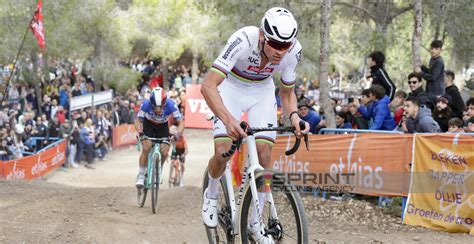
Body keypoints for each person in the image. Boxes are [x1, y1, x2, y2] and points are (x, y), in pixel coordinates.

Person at [200, 7, 309, 242]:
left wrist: (294, 117)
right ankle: (211, 194)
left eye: (286, 45)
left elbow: (287, 93)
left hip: (262, 90)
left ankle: (255, 222)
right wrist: (229, 120)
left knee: (265, 155)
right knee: (222, 152)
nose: (281, 51)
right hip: (231, 87)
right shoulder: (243, 39)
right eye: (276, 44)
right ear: (262, 36)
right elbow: (208, 85)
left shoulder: (293, 51)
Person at [135, 87, 184, 188]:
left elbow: (181, 123)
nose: (158, 110)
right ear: (151, 103)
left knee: (165, 151)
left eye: (161, 107)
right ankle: (141, 174)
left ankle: (158, 169)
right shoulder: (146, 104)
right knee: (146, 147)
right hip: (148, 125)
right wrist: (140, 132)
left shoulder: (171, 105)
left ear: (165, 102)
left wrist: (177, 134)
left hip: (163, 126)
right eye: (155, 107)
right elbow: (138, 121)